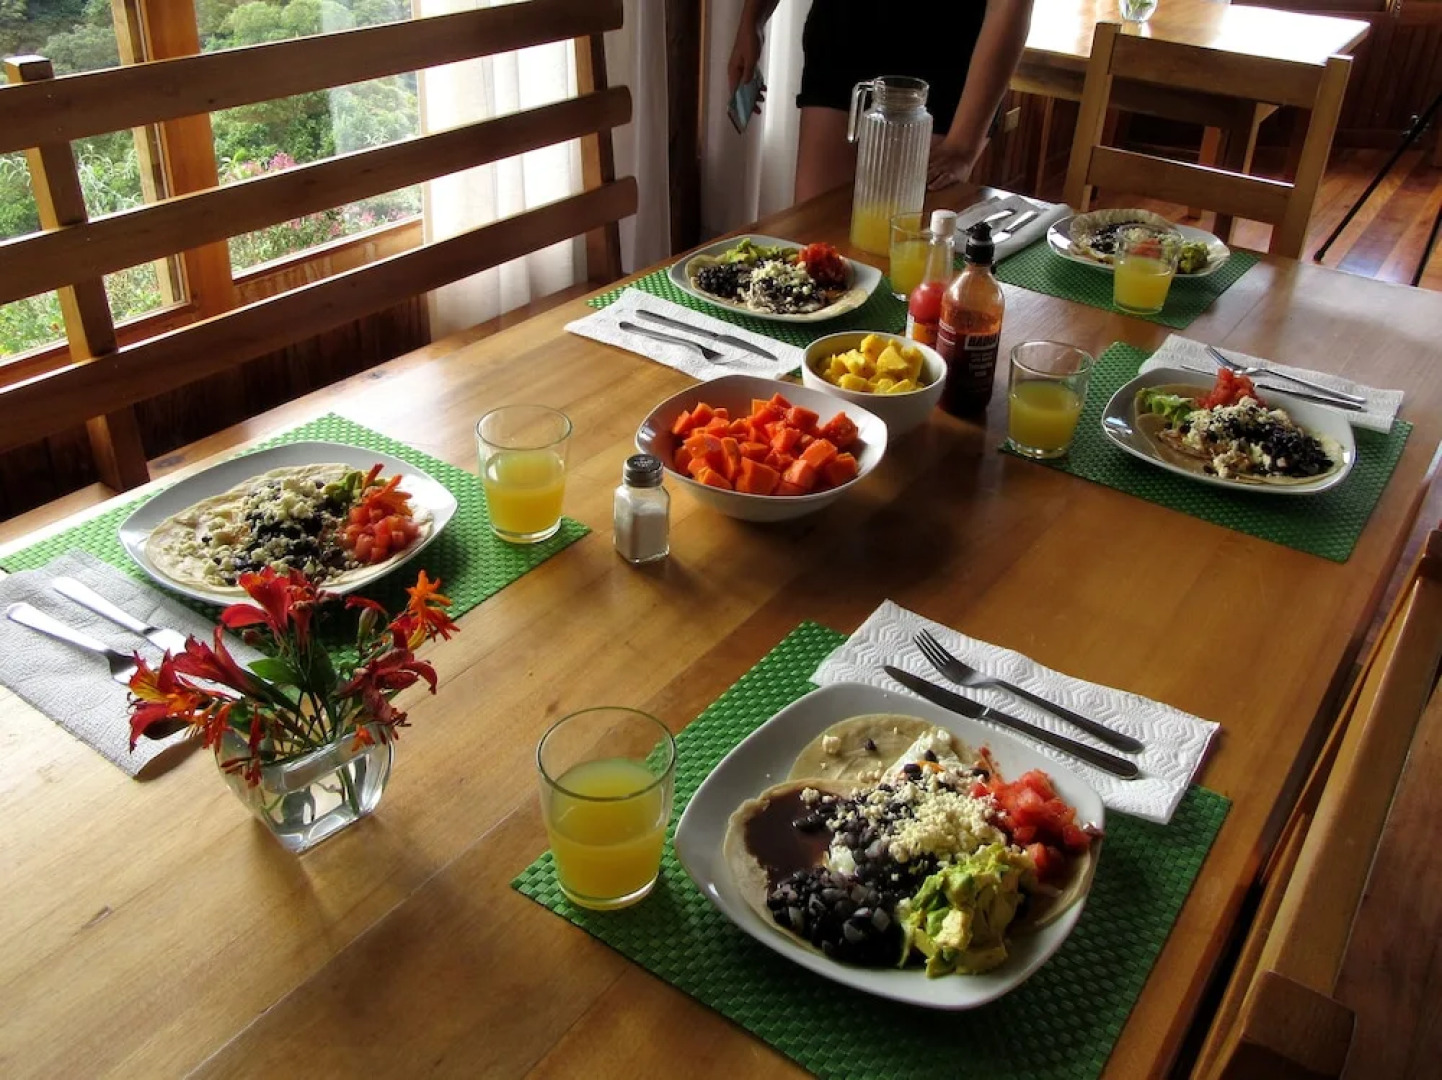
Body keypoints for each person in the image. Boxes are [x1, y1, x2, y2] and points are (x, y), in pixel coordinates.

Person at [728, 0, 1035, 203]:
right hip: (845, 32)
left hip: (946, 49)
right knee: (817, 244)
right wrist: (752, 21)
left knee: (910, 250)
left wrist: (961, 147)